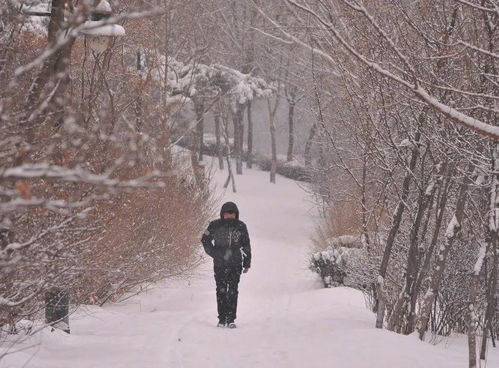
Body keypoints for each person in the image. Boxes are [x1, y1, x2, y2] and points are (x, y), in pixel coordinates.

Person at [201, 201, 251, 328]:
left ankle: (231, 318)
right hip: (220, 264)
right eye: (226, 214)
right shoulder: (215, 225)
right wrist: (214, 253)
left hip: (236, 264)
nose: (229, 216)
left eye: (232, 214)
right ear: (222, 214)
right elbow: (205, 239)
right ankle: (222, 318)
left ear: (236, 214)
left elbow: (246, 245)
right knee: (221, 290)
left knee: (233, 290)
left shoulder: (241, 227)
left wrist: (247, 262)